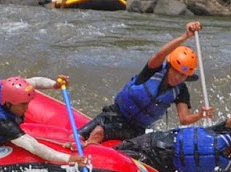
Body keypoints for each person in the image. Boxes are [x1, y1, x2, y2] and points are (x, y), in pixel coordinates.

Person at [79, 21, 214, 146]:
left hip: (134, 129)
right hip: (113, 112)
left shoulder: (181, 91)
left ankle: (88, 160)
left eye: (183, 75)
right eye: (176, 71)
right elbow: (161, 53)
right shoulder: (153, 69)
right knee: (78, 135)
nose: (178, 77)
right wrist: (185, 36)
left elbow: (184, 119)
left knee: (98, 132)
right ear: (169, 67)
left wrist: (200, 115)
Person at [117, 99, 231, 172]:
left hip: (164, 166)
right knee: (117, 153)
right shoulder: (225, 130)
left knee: (123, 167)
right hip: (156, 142)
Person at [0, 75, 84, 166]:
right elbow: (34, 147)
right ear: (9, 104)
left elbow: (35, 82)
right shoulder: (1, 123)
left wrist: (54, 84)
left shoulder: (7, 91)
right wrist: (67, 159)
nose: (27, 108)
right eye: (23, 105)